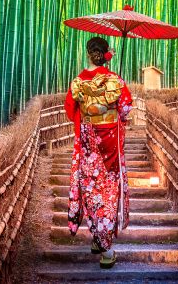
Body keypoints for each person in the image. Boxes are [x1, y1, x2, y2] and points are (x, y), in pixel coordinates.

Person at [64, 36, 133, 269]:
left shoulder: (78, 81)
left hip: (87, 139)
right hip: (110, 140)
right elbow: (125, 108)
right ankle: (107, 249)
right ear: (106, 54)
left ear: (87, 53)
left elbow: (69, 110)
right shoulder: (115, 80)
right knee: (108, 188)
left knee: (90, 185)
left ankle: (97, 237)